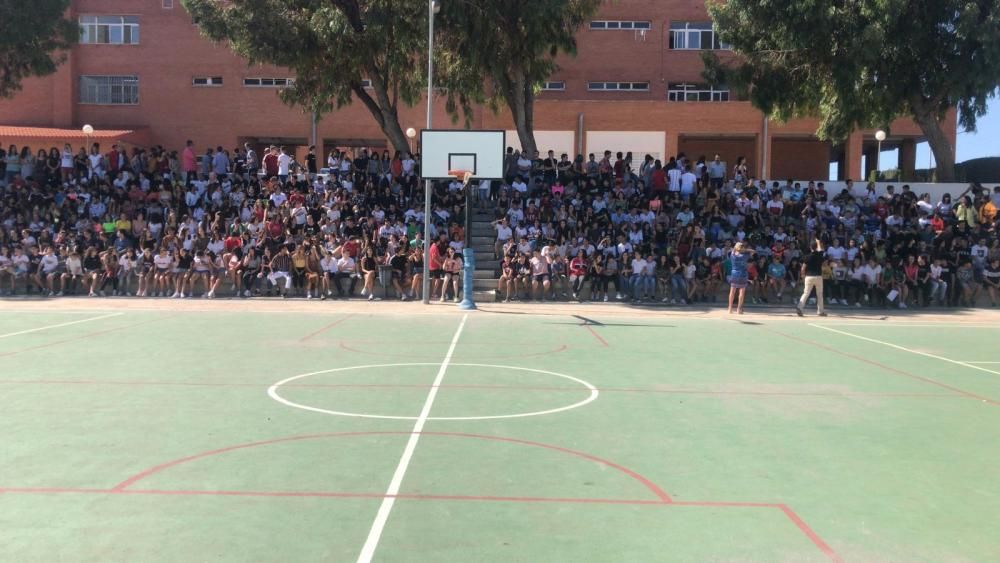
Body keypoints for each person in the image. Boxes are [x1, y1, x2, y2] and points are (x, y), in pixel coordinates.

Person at [797, 239, 828, 317]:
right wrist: (818, 242)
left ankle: (799, 307)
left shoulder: (807, 257)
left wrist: (802, 276)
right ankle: (820, 311)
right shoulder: (820, 255)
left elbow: (803, 268)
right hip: (818, 276)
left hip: (809, 276)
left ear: (810, 247)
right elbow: (821, 250)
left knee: (806, 293)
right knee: (820, 295)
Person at [727, 242, 752, 314]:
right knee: (742, 292)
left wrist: (737, 249)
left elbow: (732, 250)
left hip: (734, 273)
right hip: (743, 274)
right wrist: (745, 250)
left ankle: (730, 308)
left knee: (732, 291)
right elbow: (753, 251)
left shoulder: (732, 255)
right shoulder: (745, 255)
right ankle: (739, 309)